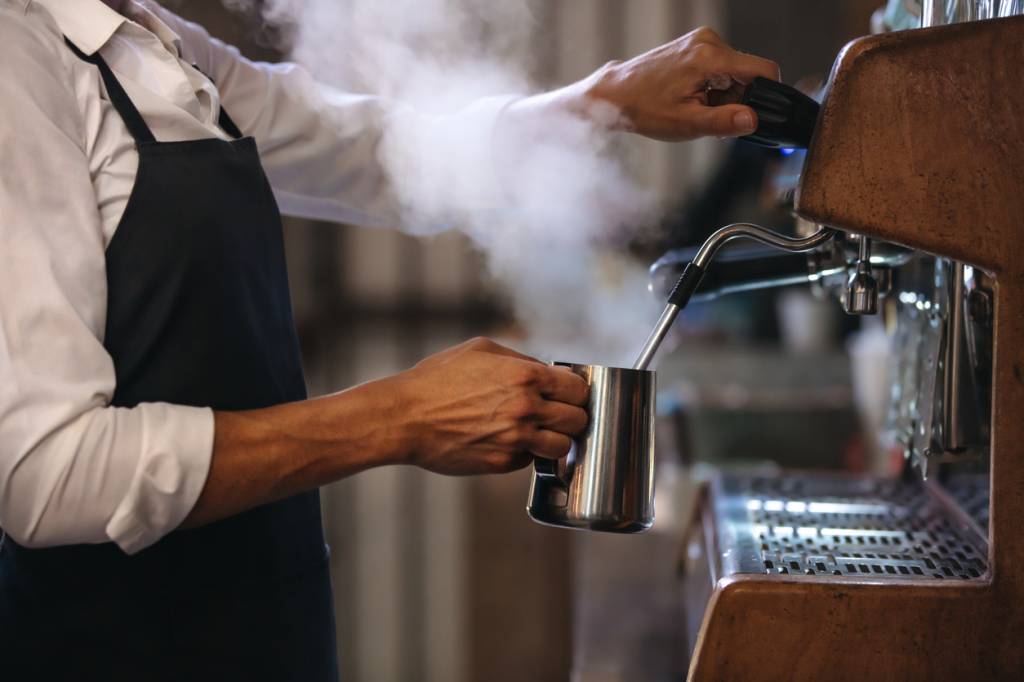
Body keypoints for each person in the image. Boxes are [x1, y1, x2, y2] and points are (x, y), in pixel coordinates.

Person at [0, 0, 780, 678]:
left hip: (262, 627)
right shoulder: (17, 62)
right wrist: (397, 417)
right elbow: (48, 473)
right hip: (110, 650)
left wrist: (602, 99)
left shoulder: (149, 40)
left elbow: (375, 153)